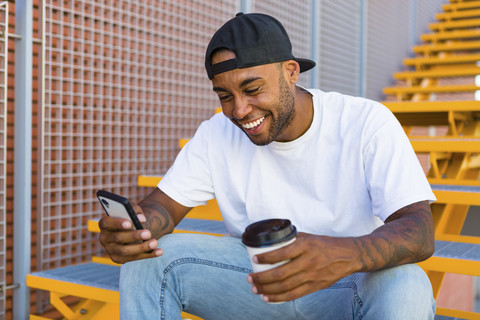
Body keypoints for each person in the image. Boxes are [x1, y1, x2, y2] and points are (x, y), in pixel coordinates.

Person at [99, 12, 436, 320]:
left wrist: (345, 254)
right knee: (150, 262)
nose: (239, 110)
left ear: (290, 72)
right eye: (225, 96)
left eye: (252, 89)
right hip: (258, 285)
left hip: (347, 285)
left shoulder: (365, 122)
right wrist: (138, 230)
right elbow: (164, 207)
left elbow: (419, 231)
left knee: (407, 282)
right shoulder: (216, 133)